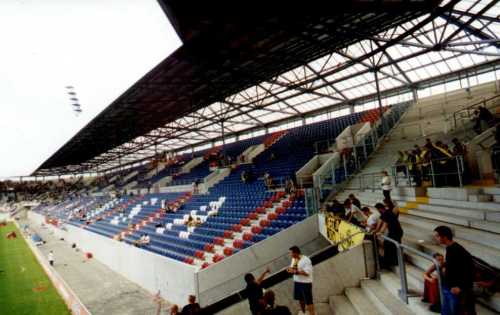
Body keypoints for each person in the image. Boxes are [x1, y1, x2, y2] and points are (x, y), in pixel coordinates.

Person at [433, 226, 476, 315]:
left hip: (455, 290)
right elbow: (455, 266)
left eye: (437, 236)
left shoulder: (457, 250)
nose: (435, 238)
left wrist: (461, 287)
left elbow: (470, 270)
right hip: (448, 288)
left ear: (444, 237)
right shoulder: (450, 248)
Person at [373, 203, 403, 269]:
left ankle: (394, 262)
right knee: (388, 245)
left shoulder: (385, 214)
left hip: (396, 232)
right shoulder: (387, 212)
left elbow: (383, 225)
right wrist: (377, 231)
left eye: (378, 209)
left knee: (391, 245)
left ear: (380, 209)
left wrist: (378, 232)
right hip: (395, 231)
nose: (378, 211)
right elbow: (381, 223)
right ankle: (392, 261)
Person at [287, 245, 315, 315]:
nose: (290, 255)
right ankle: (304, 312)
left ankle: (312, 314)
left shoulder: (306, 260)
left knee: (309, 301)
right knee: (300, 299)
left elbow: (307, 273)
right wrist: (290, 270)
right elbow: (293, 268)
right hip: (297, 283)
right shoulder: (294, 259)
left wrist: (295, 272)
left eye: (291, 253)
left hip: (305, 283)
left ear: (295, 253)